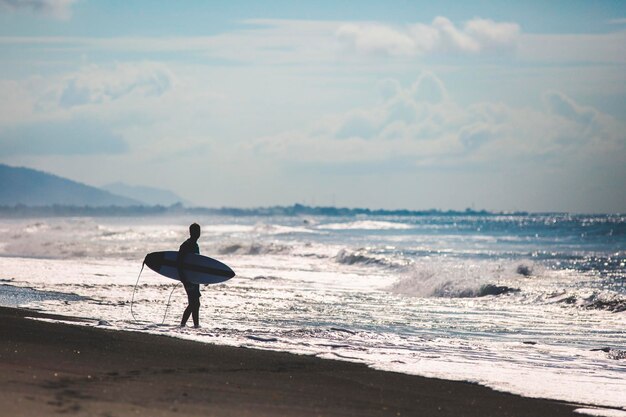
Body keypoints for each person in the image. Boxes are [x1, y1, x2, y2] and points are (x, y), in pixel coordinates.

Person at [178, 223, 201, 328]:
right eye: (196, 231)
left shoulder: (195, 245)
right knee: (193, 303)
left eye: (199, 231)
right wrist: (184, 279)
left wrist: (203, 277)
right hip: (188, 278)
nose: (198, 233)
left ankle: (195, 325)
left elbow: (196, 264)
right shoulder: (186, 245)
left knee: (196, 303)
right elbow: (179, 263)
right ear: (191, 232)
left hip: (194, 279)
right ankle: (182, 324)